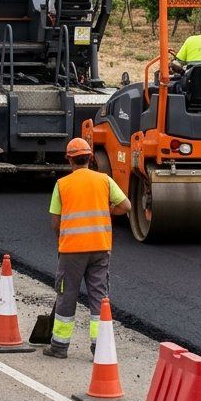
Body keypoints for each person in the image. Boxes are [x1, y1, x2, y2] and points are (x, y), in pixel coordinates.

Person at [43, 138, 132, 359]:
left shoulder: (62, 185)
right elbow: (126, 206)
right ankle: (99, 347)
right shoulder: (104, 180)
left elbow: (56, 222)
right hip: (100, 249)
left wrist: (61, 240)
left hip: (72, 251)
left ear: (69, 159)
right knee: (99, 298)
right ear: (90, 158)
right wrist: (107, 210)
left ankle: (59, 347)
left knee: (67, 296)